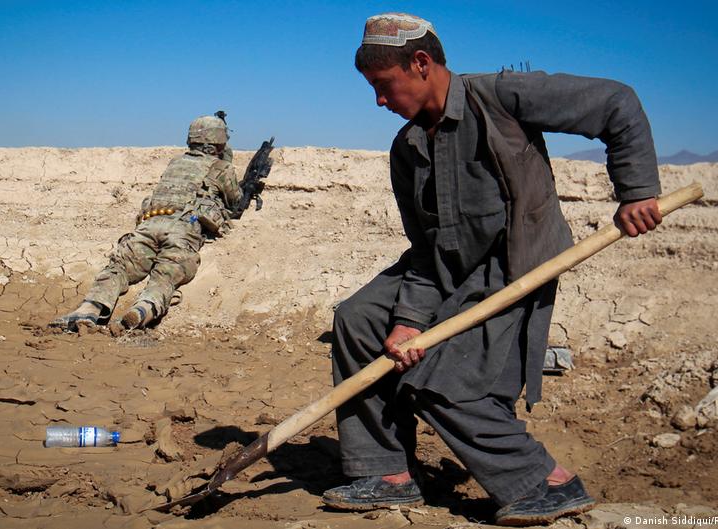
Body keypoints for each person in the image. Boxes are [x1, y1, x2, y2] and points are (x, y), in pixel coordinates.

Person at [322, 13, 663, 526]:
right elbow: (425, 248)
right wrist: (409, 317)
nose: (379, 102)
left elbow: (617, 103)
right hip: (443, 269)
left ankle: (545, 482)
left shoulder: (501, 96)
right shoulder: (407, 149)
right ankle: (385, 470)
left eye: (383, 86)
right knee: (358, 318)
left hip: (514, 268)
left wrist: (636, 190)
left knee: (443, 379)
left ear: (420, 64)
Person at [50, 115, 240, 333]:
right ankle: (144, 308)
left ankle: (88, 309)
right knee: (168, 272)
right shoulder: (221, 168)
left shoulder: (175, 163)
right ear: (219, 141)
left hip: (149, 224)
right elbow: (234, 202)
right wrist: (226, 162)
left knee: (119, 268)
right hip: (184, 228)